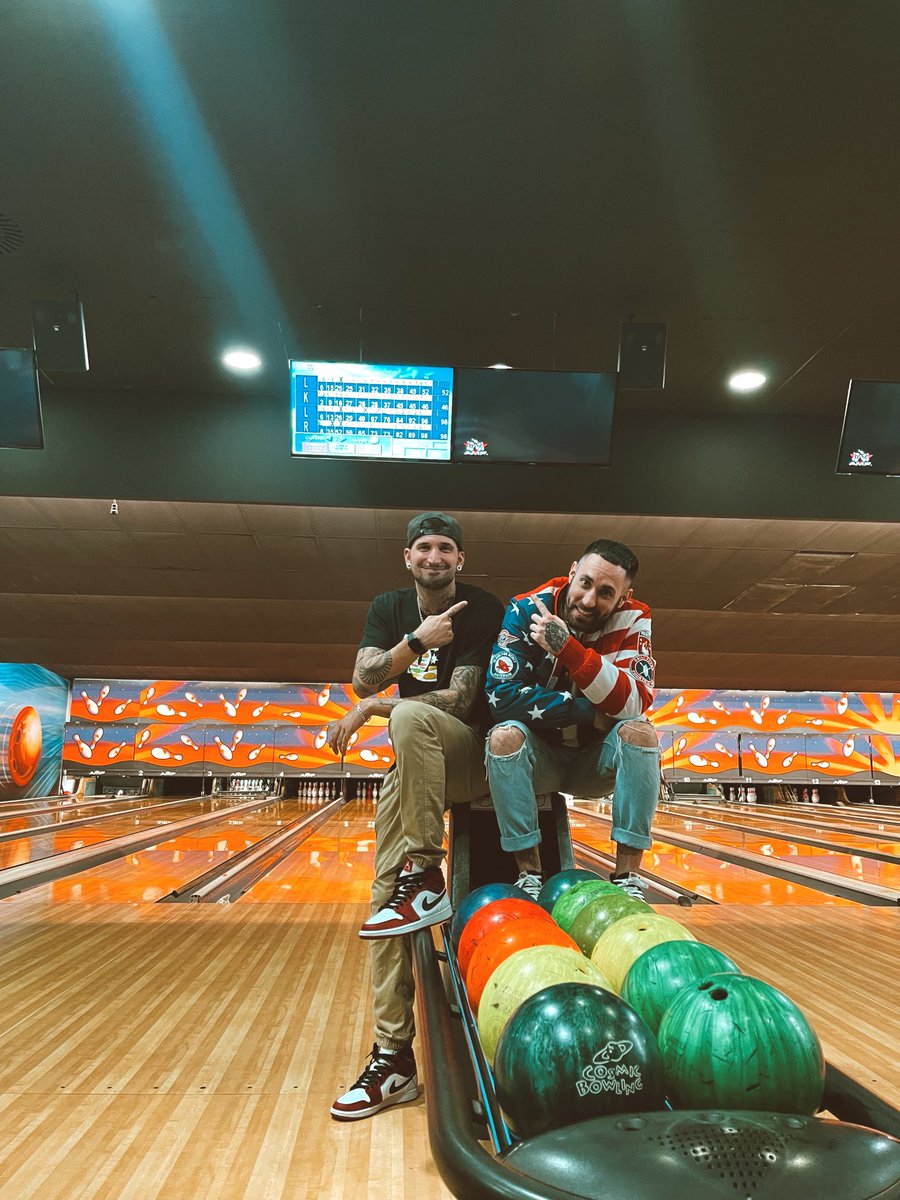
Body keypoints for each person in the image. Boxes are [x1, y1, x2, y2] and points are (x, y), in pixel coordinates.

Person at [326, 512, 503, 1121]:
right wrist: (417, 642)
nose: (434, 557)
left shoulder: (482, 608)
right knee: (383, 905)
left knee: (405, 716)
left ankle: (426, 875)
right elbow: (360, 675)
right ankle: (394, 1058)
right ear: (408, 557)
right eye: (423, 547)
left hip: (470, 757)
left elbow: (461, 697)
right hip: (413, 766)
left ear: (461, 559)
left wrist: (378, 704)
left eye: (445, 548)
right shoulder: (390, 607)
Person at [484, 538, 660, 901]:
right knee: (503, 736)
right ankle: (529, 875)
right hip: (540, 758)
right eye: (585, 583)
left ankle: (628, 879)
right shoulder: (526, 609)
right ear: (571, 574)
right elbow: (501, 698)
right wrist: (586, 712)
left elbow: (633, 701)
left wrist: (568, 650)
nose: (590, 600)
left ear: (624, 597)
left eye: (606, 592)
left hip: (594, 761)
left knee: (640, 733)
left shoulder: (634, 618)